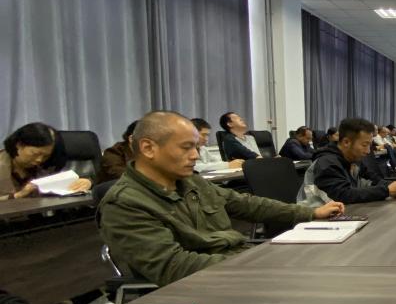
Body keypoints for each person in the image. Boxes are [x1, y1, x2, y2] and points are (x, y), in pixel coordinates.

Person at [99, 111, 343, 287]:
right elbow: (173, 266)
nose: (195, 156)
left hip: (238, 267)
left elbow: (247, 204)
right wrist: (255, 265)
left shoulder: (191, 182)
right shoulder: (125, 203)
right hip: (207, 287)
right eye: (186, 147)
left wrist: (310, 213)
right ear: (148, 148)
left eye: (196, 147)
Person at [305, 117, 396, 204]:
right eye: (364, 145)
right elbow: (343, 195)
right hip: (317, 219)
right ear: (346, 142)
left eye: (369, 145)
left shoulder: (353, 159)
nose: (368, 151)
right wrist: (387, 190)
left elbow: (373, 179)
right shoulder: (327, 162)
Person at [0, 123, 92, 199]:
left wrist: (87, 182)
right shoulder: (2, 164)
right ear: (19, 145)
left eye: (45, 156)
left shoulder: (44, 166)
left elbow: (64, 179)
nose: (39, 159)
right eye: (35, 154)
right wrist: (18, 195)